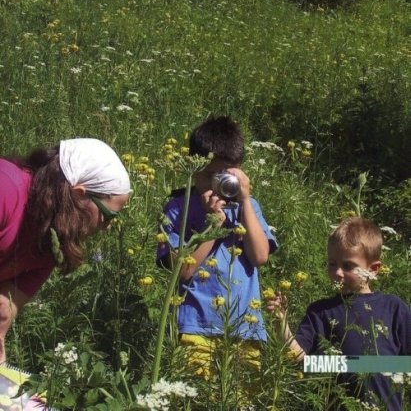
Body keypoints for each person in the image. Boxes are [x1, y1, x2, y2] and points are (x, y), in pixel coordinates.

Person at [157, 116, 278, 400]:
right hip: (195, 324)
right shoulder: (177, 207)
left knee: (239, 400)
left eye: (224, 175)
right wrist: (213, 226)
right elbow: (182, 271)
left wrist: (246, 201)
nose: (215, 185)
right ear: (193, 169)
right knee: (193, 398)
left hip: (245, 327)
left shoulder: (249, 206)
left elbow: (260, 256)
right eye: (207, 175)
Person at [0, 137, 131, 364]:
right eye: (107, 216)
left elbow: (4, 309)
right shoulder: (6, 189)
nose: (107, 227)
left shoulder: (53, 237)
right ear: (79, 195)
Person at [266, 217, 411, 411]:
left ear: (373, 269)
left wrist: (375, 366)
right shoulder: (320, 311)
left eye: (348, 266)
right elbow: (300, 359)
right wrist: (280, 322)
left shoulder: (393, 308)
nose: (338, 273)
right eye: (332, 263)